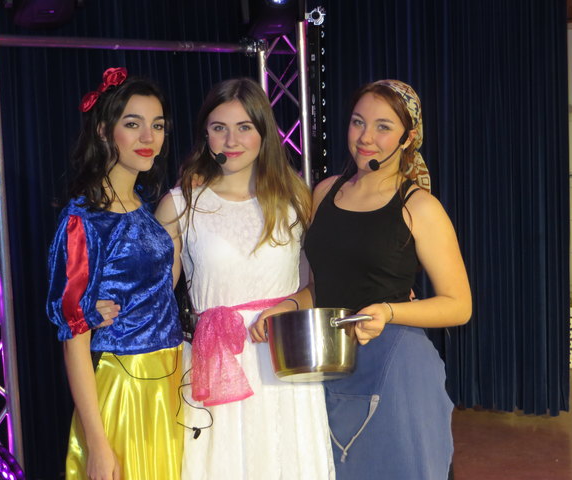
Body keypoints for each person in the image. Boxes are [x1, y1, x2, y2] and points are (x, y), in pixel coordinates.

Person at [251, 79, 472, 479]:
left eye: (383, 127)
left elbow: (459, 306)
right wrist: (288, 305)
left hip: (397, 365)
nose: (366, 137)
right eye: (358, 122)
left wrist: (388, 311)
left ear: (408, 138)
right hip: (328, 361)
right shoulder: (324, 192)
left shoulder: (419, 206)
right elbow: (322, 285)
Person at [155, 77, 335, 480]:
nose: (231, 140)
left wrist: (288, 305)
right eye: (219, 128)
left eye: (244, 127)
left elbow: (318, 286)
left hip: (283, 365)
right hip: (215, 366)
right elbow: (154, 295)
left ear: (263, 132)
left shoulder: (295, 200)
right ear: (205, 134)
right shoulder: (181, 204)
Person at [46, 67, 184, 480]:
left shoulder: (143, 204)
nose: (148, 137)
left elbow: (159, 289)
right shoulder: (84, 220)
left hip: (169, 378)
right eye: (133, 124)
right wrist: (97, 444)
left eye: (157, 125)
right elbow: (73, 339)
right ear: (105, 131)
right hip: (125, 387)